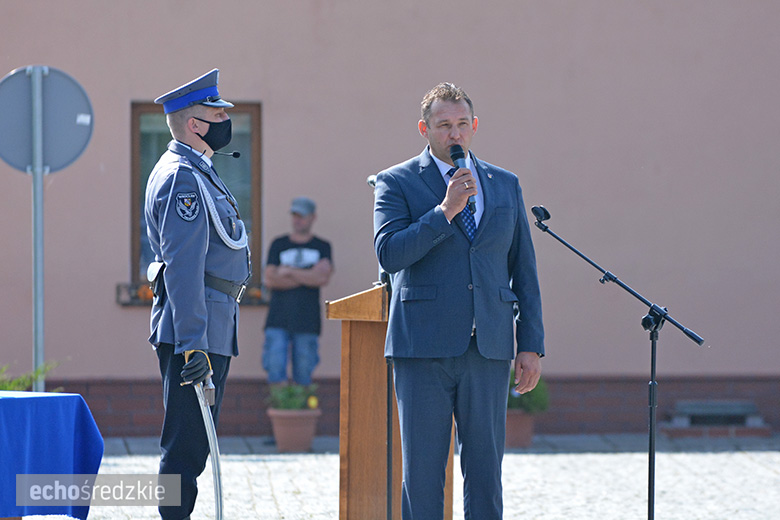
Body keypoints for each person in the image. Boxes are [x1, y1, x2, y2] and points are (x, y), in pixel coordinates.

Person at [373, 82, 545, 520]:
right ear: (424, 129)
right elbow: (389, 254)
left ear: (475, 126)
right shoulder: (396, 181)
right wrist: (444, 211)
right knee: (423, 475)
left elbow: (523, 268)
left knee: (486, 474)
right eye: (444, 125)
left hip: (487, 346)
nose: (455, 134)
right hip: (422, 349)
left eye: (462, 124)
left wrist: (530, 344)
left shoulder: (504, 184)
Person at [145, 69, 251, 520]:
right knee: (185, 448)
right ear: (195, 124)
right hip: (196, 329)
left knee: (194, 447)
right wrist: (194, 343)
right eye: (217, 113)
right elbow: (184, 267)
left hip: (210, 321)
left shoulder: (198, 170)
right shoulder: (182, 179)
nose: (226, 119)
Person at [262, 197, 333, 385]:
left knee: (304, 374)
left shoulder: (322, 247)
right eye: (294, 215)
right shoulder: (279, 244)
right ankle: (280, 404)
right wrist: (308, 275)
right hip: (277, 319)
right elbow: (270, 279)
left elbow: (321, 279)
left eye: (301, 216)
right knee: (275, 370)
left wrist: (288, 271)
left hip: (308, 321)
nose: (297, 220)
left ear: (312, 217)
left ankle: (302, 405)